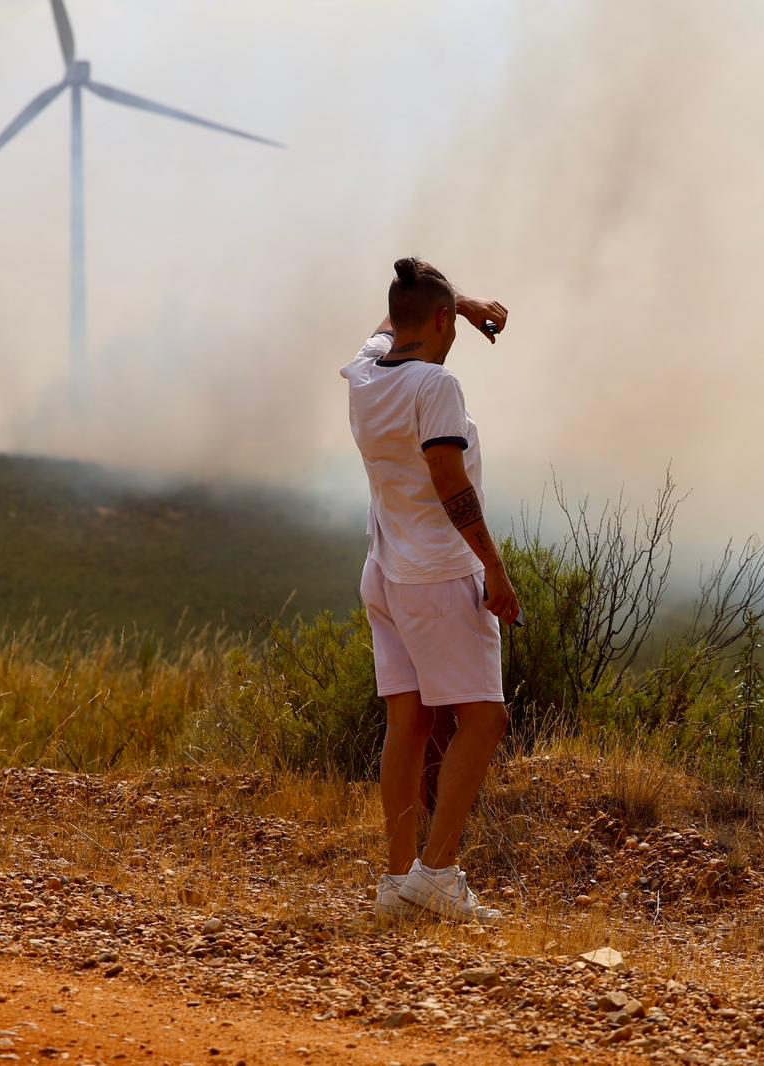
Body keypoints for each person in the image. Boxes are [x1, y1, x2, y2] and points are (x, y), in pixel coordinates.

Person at [339, 256, 520, 923]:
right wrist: (494, 568)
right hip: (439, 574)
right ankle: (437, 874)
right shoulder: (436, 385)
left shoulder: (364, 372)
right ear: (441, 321)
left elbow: (392, 322)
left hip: (384, 569)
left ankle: (395, 882)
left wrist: (457, 303)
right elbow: (450, 479)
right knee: (483, 718)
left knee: (408, 721)